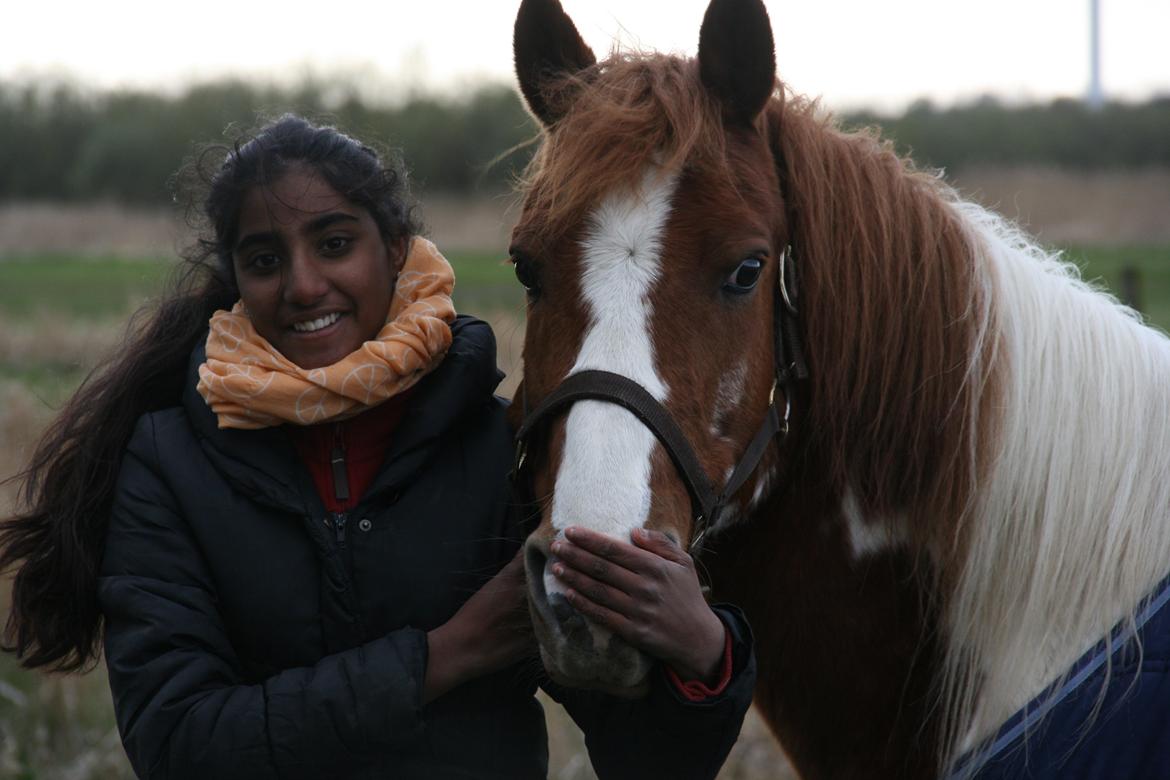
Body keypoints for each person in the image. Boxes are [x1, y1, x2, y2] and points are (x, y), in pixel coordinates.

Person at [0, 115, 756, 779]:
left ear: (395, 251)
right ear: (235, 279)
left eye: (334, 244)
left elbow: (646, 761)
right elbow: (178, 746)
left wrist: (704, 654)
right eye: (264, 260)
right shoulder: (170, 463)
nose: (303, 284)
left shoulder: (494, 453)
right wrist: (447, 654)